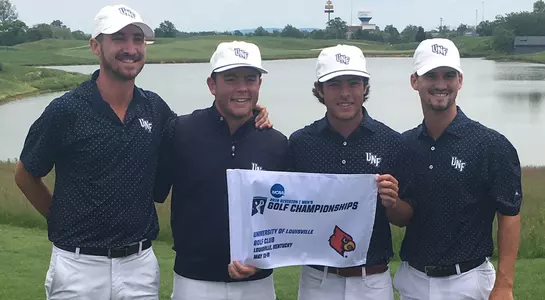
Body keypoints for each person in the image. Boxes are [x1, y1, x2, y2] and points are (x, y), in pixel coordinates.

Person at [13, 5, 270, 300]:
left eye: (138, 39)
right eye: (119, 39)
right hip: (77, 265)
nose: (131, 48)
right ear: (96, 46)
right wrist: (58, 219)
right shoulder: (66, 110)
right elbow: (25, 174)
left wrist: (250, 113)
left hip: (138, 266)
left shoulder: (155, 108)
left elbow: (199, 130)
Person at [154, 41, 288, 300]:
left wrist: (263, 258)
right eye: (231, 79)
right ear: (212, 85)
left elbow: (284, 219)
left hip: (257, 283)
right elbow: (156, 192)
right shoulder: (180, 131)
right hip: (194, 282)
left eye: (250, 79)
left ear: (259, 84)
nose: (242, 88)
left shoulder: (277, 143)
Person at [393, 38, 522, 300]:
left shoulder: (490, 145)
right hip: (413, 281)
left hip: (469, 281)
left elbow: (509, 214)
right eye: (431, 75)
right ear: (414, 81)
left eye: (449, 75)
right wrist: (389, 202)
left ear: (460, 80)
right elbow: (403, 216)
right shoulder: (403, 145)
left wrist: (504, 284)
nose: (441, 84)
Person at [287, 44, 414, 300]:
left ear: (364, 87)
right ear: (320, 90)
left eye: (353, 83)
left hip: (372, 279)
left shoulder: (391, 142)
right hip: (318, 279)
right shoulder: (301, 143)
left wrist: (392, 202)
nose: (345, 93)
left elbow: (404, 217)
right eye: (334, 84)